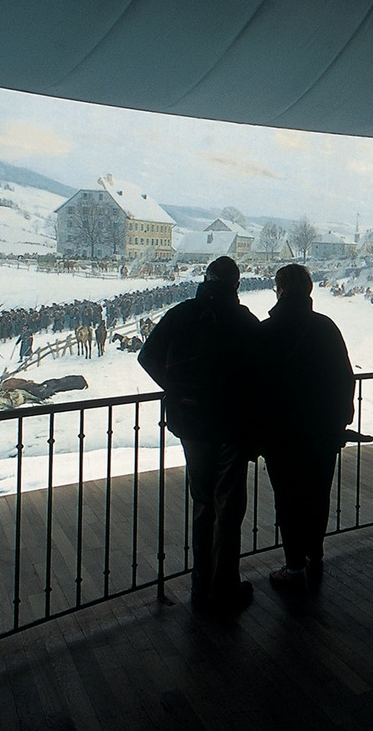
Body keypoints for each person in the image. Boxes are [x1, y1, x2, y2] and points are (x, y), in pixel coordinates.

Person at [138, 256, 260, 614]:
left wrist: (177, 389)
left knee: (203, 501)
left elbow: (148, 357)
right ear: (235, 286)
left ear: (206, 279)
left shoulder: (182, 314)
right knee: (229, 505)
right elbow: (262, 373)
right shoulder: (244, 321)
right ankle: (224, 586)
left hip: (191, 422)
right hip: (233, 424)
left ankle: (199, 585)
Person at [258, 264, 355, 593]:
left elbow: (255, 384)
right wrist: (341, 419)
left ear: (280, 289)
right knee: (318, 493)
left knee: (288, 497)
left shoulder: (268, 330)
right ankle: (315, 551)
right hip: (323, 430)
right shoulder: (327, 327)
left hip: (281, 432)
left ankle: (294, 564)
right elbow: (344, 377)